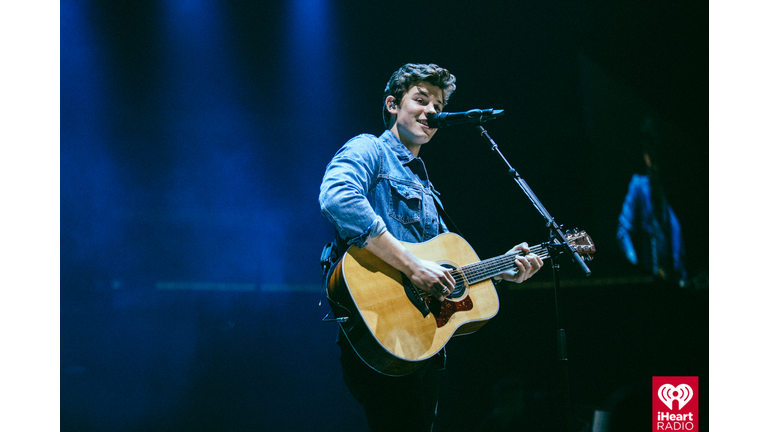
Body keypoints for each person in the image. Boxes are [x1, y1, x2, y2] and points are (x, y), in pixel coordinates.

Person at [318, 63, 543, 432]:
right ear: (393, 104)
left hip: (421, 341)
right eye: (420, 100)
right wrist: (412, 267)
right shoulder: (370, 149)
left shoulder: (425, 186)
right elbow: (337, 197)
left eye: (437, 105)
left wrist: (500, 270)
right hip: (382, 328)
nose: (431, 112)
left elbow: (445, 273)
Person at [616, 117, 687, 287]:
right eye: (649, 149)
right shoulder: (639, 186)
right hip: (652, 278)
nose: (652, 156)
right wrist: (637, 268)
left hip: (677, 278)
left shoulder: (674, 186)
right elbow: (623, 231)